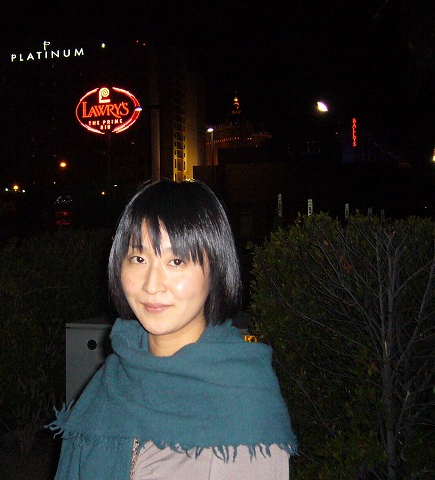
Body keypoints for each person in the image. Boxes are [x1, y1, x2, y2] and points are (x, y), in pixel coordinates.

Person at [48, 179, 296, 479]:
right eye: (139, 258)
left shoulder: (242, 396)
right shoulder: (112, 380)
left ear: (216, 269)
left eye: (176, 261)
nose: (152, 285)